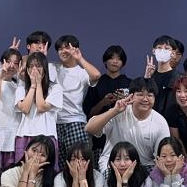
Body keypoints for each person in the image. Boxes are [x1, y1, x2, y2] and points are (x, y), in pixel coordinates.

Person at [88, 77, 170, 173]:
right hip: (113, 164)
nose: (145, 99)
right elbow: (89, 128)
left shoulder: (160, 122)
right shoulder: (118, 112)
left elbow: (162, 157)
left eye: (150, 95)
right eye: (140, 94)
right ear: (131, 96)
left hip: (143, 166)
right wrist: (114, 111)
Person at [53, 34, 101, 170]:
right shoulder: (53, 68)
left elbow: (96, 75)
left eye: (67, 48)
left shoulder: (82, 72)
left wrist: (79, 58)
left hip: (75, 122)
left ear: (75, 49)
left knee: (80, 164)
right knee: (61, 166)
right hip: (54, 123)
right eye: (60, 49)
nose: (63, 51)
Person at [83, 45, 132, 162]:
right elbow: (89, 113)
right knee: (100, 166)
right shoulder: (96, 84)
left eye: (119, 59)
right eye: (111, 58)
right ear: (105, 61)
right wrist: (103, 102)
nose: (115, 61)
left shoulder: (130, 83)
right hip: (100, 138)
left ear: (123, 63)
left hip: (125, 133)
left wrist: (125, 100)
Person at [14, 52, 63, 166]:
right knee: (22, 170)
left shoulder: (55, 88)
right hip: (25, 134)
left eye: (38, 66)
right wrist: (33, 86)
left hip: (47, 135)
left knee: (46, 171)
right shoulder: (21, 88)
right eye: (31, 66)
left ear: (45, 68)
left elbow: (41, 107)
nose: (34, 69)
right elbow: (25, 109)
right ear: (27, 70)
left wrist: (39, 84)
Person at [146, 35, 182, 115]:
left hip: (169, 120)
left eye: (166, 48)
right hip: (149, 117)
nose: (162, 51)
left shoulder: (178, 79)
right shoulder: (150, 76)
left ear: (173, 53)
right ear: (154, 51)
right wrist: (147, 78)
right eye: (159, 48)